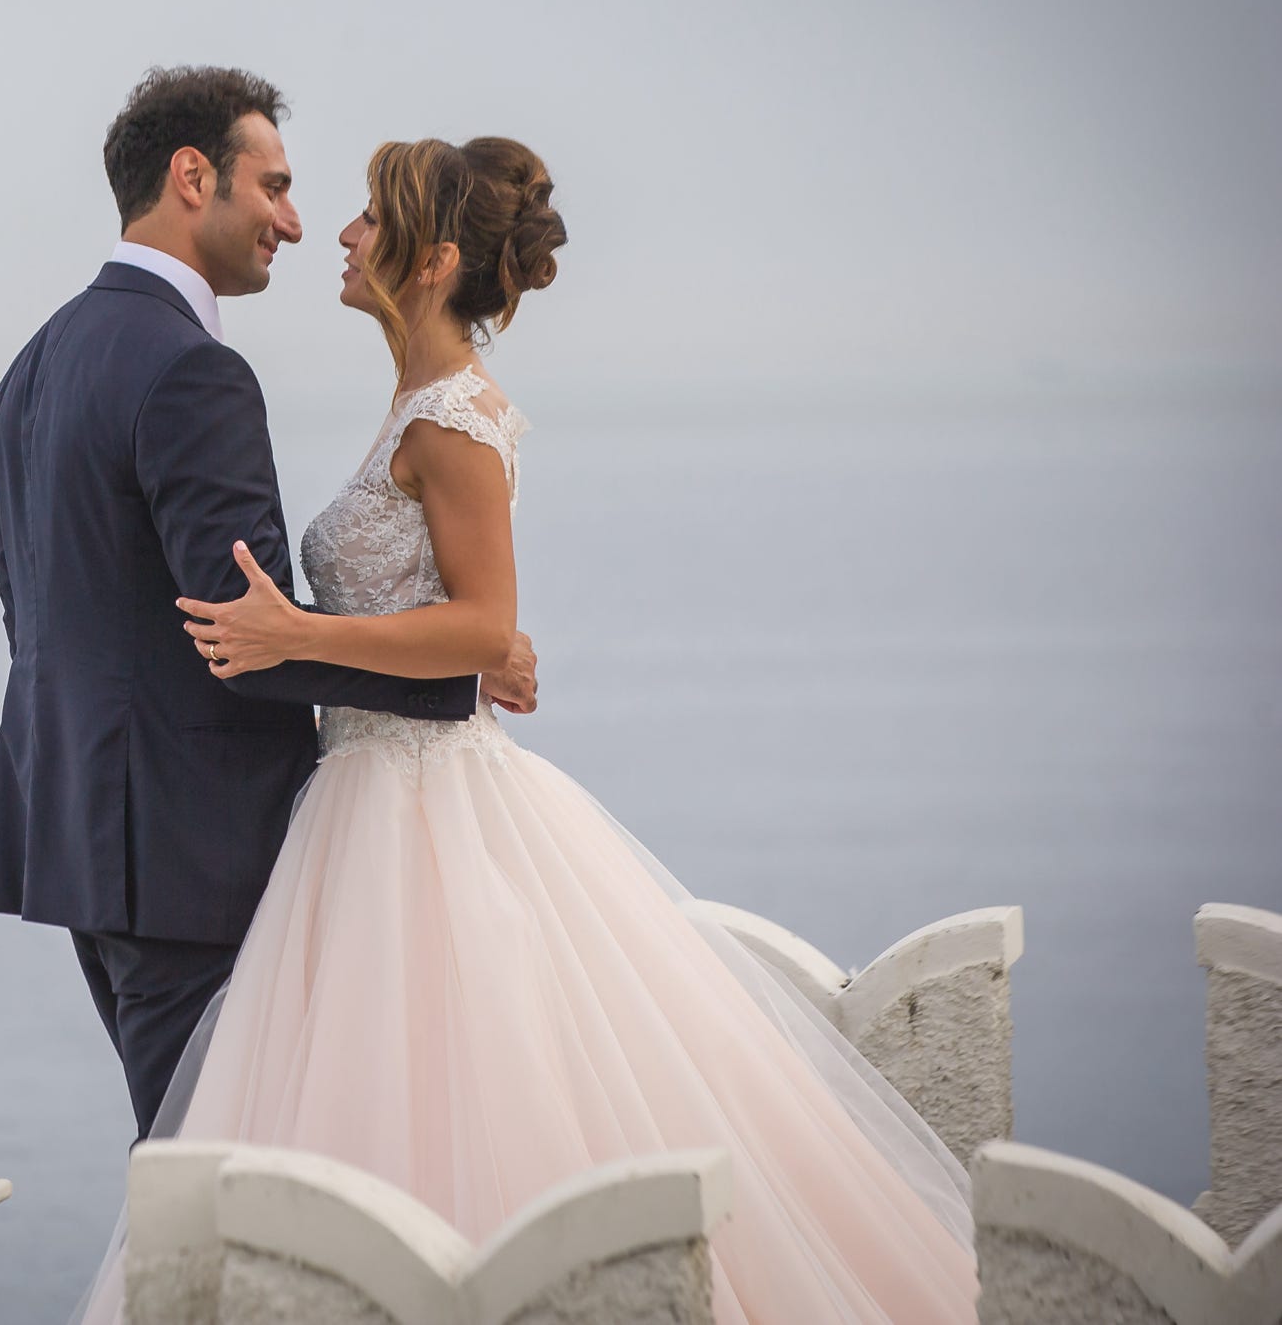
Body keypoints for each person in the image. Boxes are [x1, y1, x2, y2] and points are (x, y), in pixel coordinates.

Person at [89, 134, 980, 1321]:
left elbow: (477, 620)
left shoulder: (455, 413)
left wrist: (298, 637)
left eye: (367, 219)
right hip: (357, 797)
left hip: (420, 808)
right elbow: (468, 626)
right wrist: (415, 644)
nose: (340, 237)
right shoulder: (411, 403)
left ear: (432, 258)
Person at [0, 66, 541, 1143]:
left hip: (74, 843)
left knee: (209, 1162)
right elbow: (239, 631)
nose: (297, 221)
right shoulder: (191, 371)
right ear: (194, 178)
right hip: (190, 858)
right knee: (230, 1186)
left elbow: (35, 613)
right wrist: (460, 674)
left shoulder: (36, 361)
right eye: (274, 186)